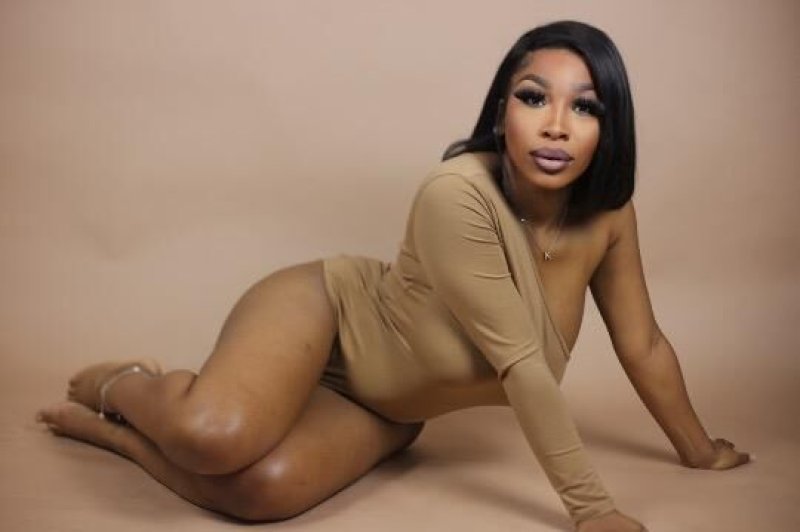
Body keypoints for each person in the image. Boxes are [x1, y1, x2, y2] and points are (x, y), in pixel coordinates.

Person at [36, 20, 750, 532]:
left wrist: (699, 451)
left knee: (261, 493)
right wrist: (592, 511)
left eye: (585, 106)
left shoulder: (609, 217)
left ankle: (117, 438)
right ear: (502, 110)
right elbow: (523, 365)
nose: (557, 124)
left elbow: (643, 344)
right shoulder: (457, 194)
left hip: (389, 406)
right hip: (327, 316)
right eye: (534, 97)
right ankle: (123, 383)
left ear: (609, 127)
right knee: (214, 436)